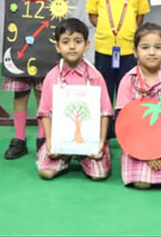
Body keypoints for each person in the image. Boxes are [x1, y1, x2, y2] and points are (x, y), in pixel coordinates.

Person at [2, 0, 60, 160]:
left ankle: (42, 137)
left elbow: (55, 16)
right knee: (20, 94)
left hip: (44, 51)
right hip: (20, 50)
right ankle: (19, 138)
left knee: (42, 95)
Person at [86, 0, 150, 138]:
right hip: (104, 48)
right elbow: (93, 15)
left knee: (126, 89)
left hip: (129, 49)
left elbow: (140, 16)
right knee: (104, 88)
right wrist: (108, 30)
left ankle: (124, 130)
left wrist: (126, 31)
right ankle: (103, 131)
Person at [36, 18, 113, 181]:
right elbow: (44, 113)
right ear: (57, 46)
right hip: (60, 139)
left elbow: (105, 112)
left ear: (87, 45)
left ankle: (90, 156)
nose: (72, 47)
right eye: (65, 42)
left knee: (99, 175)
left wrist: (100, 142)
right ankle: (65, 158)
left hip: (89, 140)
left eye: (78, 41)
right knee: (45, 173)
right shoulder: (51, 77)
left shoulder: (95, 76)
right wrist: (50, 142)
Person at [115, 23, 161, 189]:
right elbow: (126, 123)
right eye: (145, 47)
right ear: (135, 51)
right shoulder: (128, 80)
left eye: (158, 47)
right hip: (136, 142)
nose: (152, 52)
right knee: (142, 183)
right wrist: (146, 154)